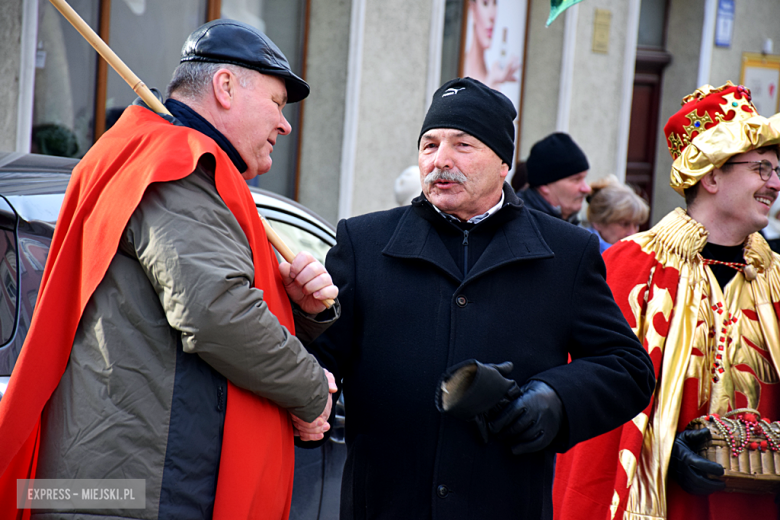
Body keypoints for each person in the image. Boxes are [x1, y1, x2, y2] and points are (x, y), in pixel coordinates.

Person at [0, 20, 339, 519]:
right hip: (143, 490)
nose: (284, 124)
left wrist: (298, 308)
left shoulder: (140, 156)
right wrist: (312, 391)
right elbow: (215, 311)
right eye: (275, 102)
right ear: (225, 87)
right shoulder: (176, 166)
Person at [305, 77, 655, 519]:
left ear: (503, 161)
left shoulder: (566, 252)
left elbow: (627, 368)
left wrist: (555, 399)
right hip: (386, 504)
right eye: (429, 145)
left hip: (506, 503)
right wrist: (306, 317)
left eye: (462, 144)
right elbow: (318, 363)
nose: (440, 160)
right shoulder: (363, 241)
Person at [553, 82, 780, 520]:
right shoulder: (628, 267)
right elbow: (590, 393)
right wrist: (663, 448)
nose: (775, 183)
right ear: (711, 175)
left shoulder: (775, 280)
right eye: (761, 169)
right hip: (657, 503)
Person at [518, 132, 592, 225]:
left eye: (584, 178)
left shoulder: (570, 222)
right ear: (544, 185)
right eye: (576, 180)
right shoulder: (520, 225)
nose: (587, 189)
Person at [463, 0, 520, 90]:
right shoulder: (459, 69)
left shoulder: (494, 81)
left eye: (495, 4)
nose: (492, 16)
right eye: (485, 3)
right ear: (473, 9)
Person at [585, 175, 649, 253]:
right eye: (624, 224)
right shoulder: (582, 250)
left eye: (637, 225)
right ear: (598, 223)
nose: (632, 233)